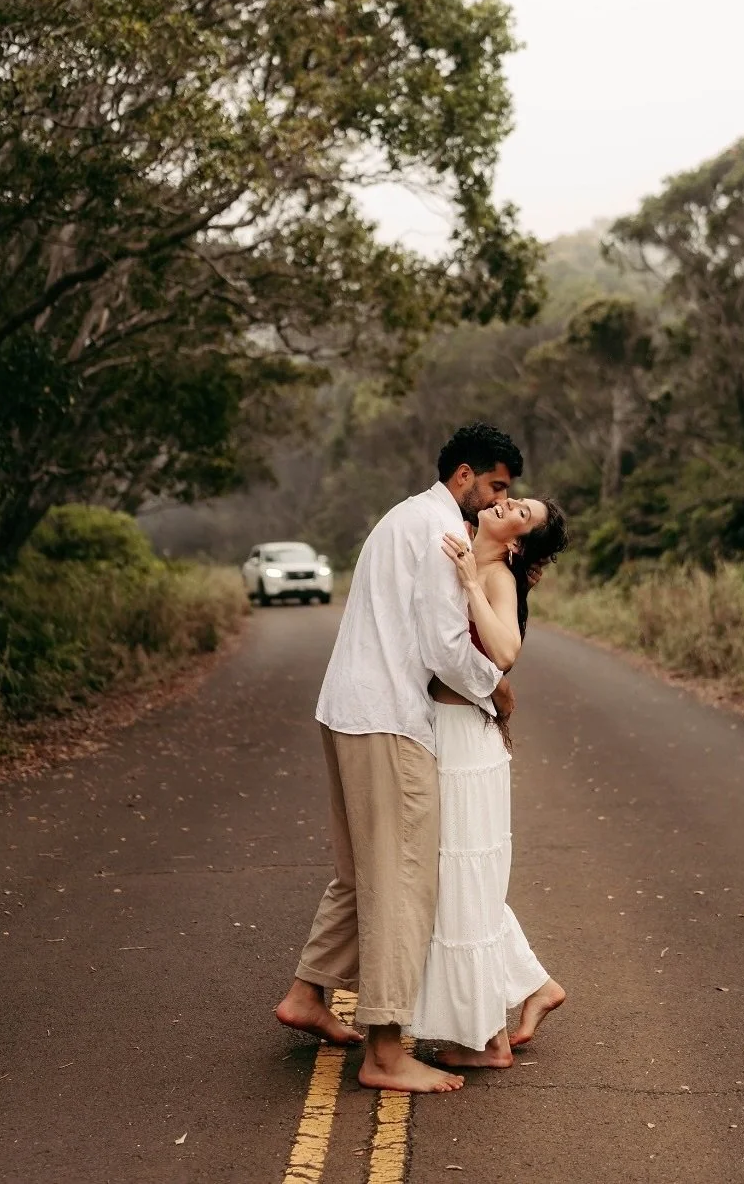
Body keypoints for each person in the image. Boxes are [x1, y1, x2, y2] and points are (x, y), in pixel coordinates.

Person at [275, 424, 523, 1094]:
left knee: (362, 875)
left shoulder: (402, 516)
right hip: (388, 718)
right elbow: (444, 645)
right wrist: (493, 691)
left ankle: (306, 995)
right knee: (403, 881)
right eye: (497, 486)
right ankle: (385, 1054)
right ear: (465, 475)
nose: (500, 500)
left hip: (347, 708)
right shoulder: (442, 531)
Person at [408, 494, 569, 1067]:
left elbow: (506, 651)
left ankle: (489, 1040)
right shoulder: (457, 547)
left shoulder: (498, 576)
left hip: (466, 738)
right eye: (512, 500)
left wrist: (472, 583)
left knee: (459, 875)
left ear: (518, 541)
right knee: (456, 873)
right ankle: (533, 988)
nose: (506, 505)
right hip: (441, 727)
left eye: (520, 513)